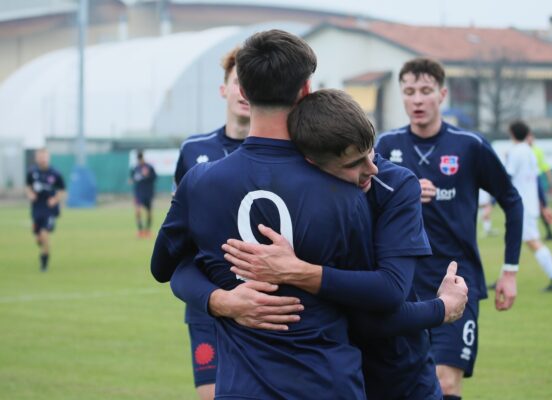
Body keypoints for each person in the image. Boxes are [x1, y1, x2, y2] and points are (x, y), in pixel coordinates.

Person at [172, 89, 469, 399]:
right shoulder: (284, 193)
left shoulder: (393, 184)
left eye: (371, 151)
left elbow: (388, 294)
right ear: (312, 162)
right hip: (321, 379)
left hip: (398, 375)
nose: (372, 167)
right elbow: (179, 266)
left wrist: (297, 271)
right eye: (354, 162)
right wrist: (220, 300)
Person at [152, 30, 381, 399]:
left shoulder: (200, 182)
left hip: (242, 387)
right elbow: (374, 297)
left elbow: (166, 268)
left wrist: (218, 299)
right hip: (329, 383)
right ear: (305, 90)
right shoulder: (344, 189)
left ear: (242, 90)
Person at [375, 57, 524, 400]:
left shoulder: (469, 145)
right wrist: (405, 192)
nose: (417, 100)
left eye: (425, 91)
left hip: (457, 281)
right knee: (405, 382)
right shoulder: (385, 147)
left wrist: (510, 271)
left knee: (445, 382)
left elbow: (511, 200)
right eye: (409, 91)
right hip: (403, 285)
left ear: (442, 95)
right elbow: (365, 206)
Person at [173, 47, 250, 400]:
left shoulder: (285, 151)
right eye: (238, 82)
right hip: (208, 299)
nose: (245, 91)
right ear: (224, 90)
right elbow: (178, 229)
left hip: (262, 300)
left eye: (252, 83)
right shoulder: (194, 150)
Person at [508, 121, 552, 292]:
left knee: (533, 242)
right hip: (530, 205)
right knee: (513, 240)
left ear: (512, 133)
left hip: (521, 206)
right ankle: (506, 276)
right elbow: (538, 181)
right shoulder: (531, 152)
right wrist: (544, 205)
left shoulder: (516, 152)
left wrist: (492, 202)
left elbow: (506, 179)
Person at [26, 148, 66, 272]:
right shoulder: (32, 172)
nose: (42, 158)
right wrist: (30, 194)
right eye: (40, 156)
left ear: (48, 157)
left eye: (44, 156)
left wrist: (55, 200)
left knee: (45, 234)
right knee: (39, 238)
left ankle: (44, 263)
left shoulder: (55, 173)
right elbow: (28, 186)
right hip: (37, 208)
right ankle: (42, 244)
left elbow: (62, 190)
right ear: (37, 158)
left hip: (49, 209)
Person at [527, 133, 552, 241]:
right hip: (525, 183)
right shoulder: (521, 151)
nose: (530, 139)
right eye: (528, 137)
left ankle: (549, 232)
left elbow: (545, 167)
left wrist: (551, 184)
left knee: (542, 207)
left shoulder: (537, 151)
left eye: (531, 137)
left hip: (536, 181)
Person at [129, 150, 156, 238]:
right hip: (138, 193)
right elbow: (132, 178)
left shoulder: (149, 167)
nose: (140, 160)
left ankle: (147, 230)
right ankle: (140, 230)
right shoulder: (135, 168)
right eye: (138, 158)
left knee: (149, 212)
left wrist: (146, 176)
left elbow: (154, 177)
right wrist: (132, 180)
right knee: (138, 211)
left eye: (141, 158)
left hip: (148, 192)